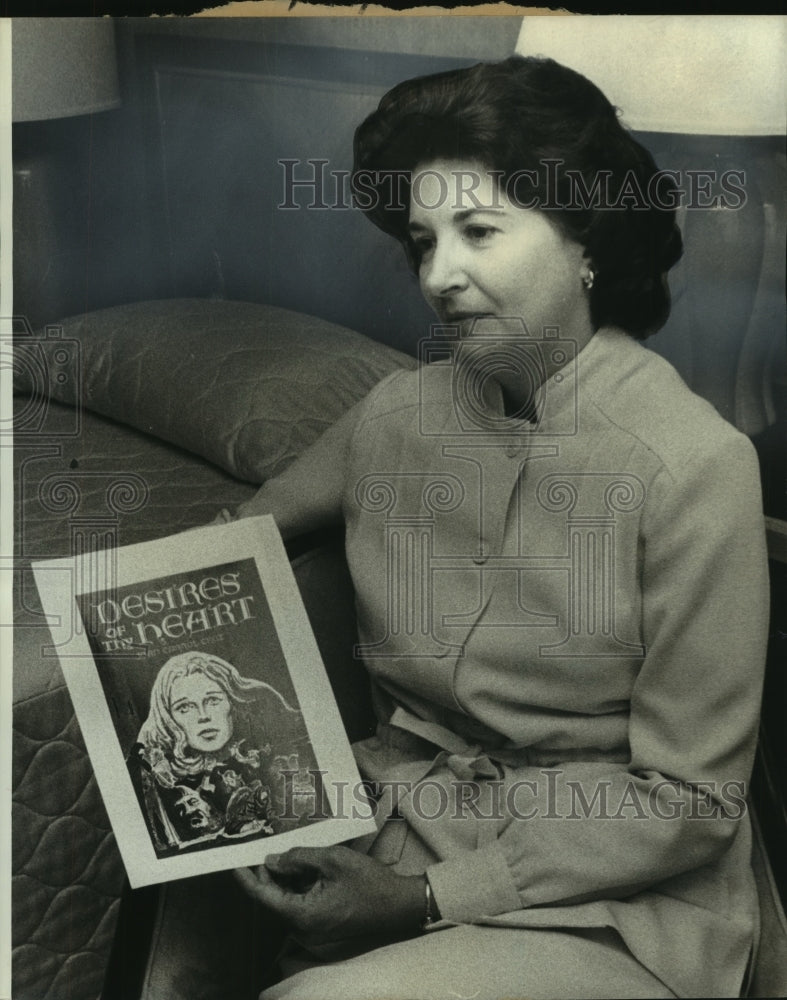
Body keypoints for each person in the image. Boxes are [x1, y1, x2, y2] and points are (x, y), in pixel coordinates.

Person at [229, 57, 769, 999]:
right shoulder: (395, 412)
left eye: (479, 231)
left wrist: (423, 899)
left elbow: (691, 802)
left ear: (584, 235)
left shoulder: (694, 464)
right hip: (385, 831)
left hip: (612, 902)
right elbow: (228, 550)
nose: (440, 275)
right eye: (422, 240)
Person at [130, 651, 307, 853]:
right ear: (168, 718)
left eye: (213, 700)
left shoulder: (273, 751)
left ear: (232, 701)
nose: (203, 716)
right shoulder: (160, 778)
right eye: (185, 707)